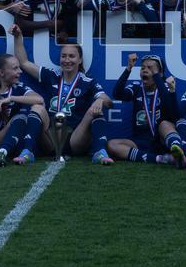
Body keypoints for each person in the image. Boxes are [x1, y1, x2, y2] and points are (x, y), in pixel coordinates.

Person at [10, 26, 114, 164]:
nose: (67, 60)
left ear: (80, 60)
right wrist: (18, 37)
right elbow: (24, 62)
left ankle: (100, 152)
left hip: (75, 139)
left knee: (96, 111)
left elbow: (108, 101)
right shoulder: (51, 76)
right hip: (50, 139)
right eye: (63, 56)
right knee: (37, 107)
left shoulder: (87, 82)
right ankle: (27, 152)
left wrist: (100, 100)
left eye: (71, 56)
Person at [108, 53, 186, 165]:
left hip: (162, 139)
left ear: (160, 73)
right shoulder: (136, 87)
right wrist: (128, 68)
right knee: (112, 145)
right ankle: (160, 159)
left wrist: (156, 77)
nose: (145, 70)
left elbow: (175, 114)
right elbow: (117, 94)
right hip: (140, 142)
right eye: (143, 67)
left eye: (151, 68)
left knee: (164, 124)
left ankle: (178, 150)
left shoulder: (166, 87)